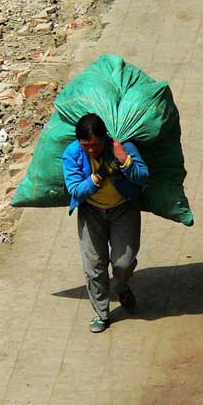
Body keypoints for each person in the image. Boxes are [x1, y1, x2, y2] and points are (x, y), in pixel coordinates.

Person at [62, 113, 149, 333]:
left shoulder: (122, 147)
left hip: (123, 210)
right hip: (91, 213)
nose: (91, 149)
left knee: (123, 263)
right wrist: (97, 177)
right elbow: (75, 190)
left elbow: (143, 176)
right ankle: (102, 313)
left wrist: (124, 161)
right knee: (94, 267)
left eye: (96, 144)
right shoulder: (72, 154)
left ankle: (121, 287)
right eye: (86, 145)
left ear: (105, 138)